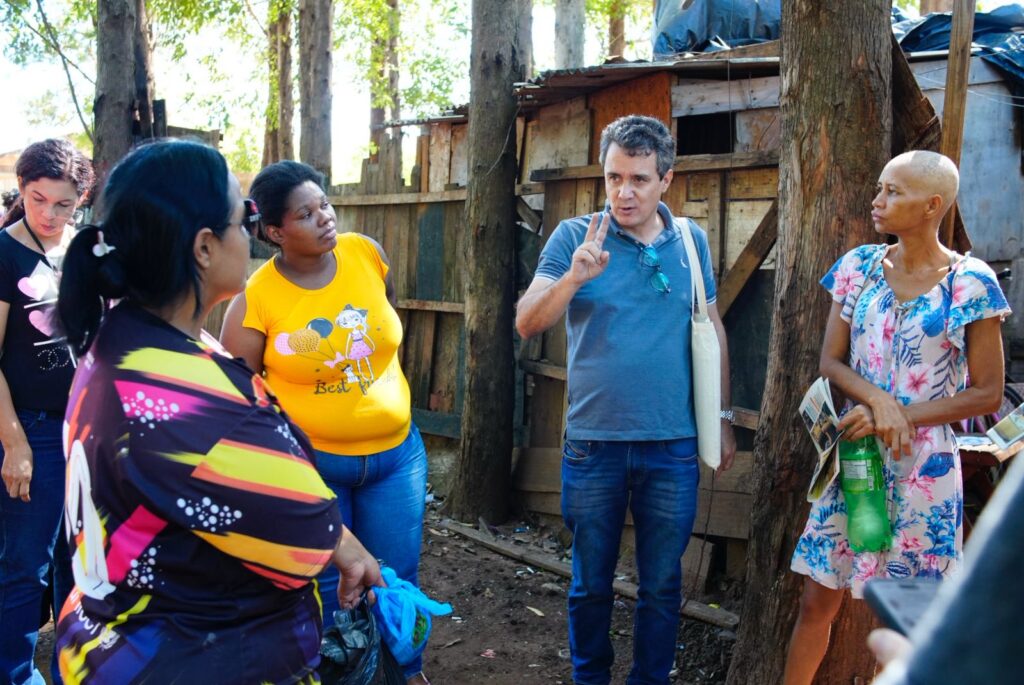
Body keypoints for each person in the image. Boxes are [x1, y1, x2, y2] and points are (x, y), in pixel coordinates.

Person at [53, 140, 381, 684]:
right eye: (244, 216)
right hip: (198, 656)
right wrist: (336, 538)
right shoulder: (185, 403)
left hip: (123, 638)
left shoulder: (128, 341)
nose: (250, 231)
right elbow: (305, 534)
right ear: (204, 247)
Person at [515, 115, 737, 685]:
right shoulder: (574, 237)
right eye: (614, 177)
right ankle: (591, 679)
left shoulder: (691, 239)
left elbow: (710, 327)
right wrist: (573, 280)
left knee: (662, 585)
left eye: (638, 179)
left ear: (666, 178)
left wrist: (722, 418)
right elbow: (525, 323)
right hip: (594, 447)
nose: (623, 193)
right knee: (591, 582)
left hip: (673, 446)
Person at [784, 150, 1010, 685]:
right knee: (818, 602)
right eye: (880, 188)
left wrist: (900, 411)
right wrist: (879, 404)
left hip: (923, 473)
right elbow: (830, 362)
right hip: (854, 458)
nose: (877, 200)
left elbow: (987, 393)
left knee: (905, 620)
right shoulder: (858, 268)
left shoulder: (970, 284)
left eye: (893, 192)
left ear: (932, 206)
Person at [220, 160, 431, 685]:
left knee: (394, 581)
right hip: (314, 472)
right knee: (332, 593)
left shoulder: (367, 256)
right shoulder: (256, 297)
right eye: (306, 213)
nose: (325, 218)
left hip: (397, 459)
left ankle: (402, 673)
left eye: (326, 205)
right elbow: (241, 399)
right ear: (275, 231)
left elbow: (385, 335)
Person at [0, 139, 92, 685]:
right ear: (22, 191)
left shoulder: (84, 250)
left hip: (83, 428)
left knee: (78, 567)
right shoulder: (5, 253)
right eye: (38, 200)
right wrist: (14, 445)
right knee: (23, 568)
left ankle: (72, 672)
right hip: (30, 429)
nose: (50, 215)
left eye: (64, 205)